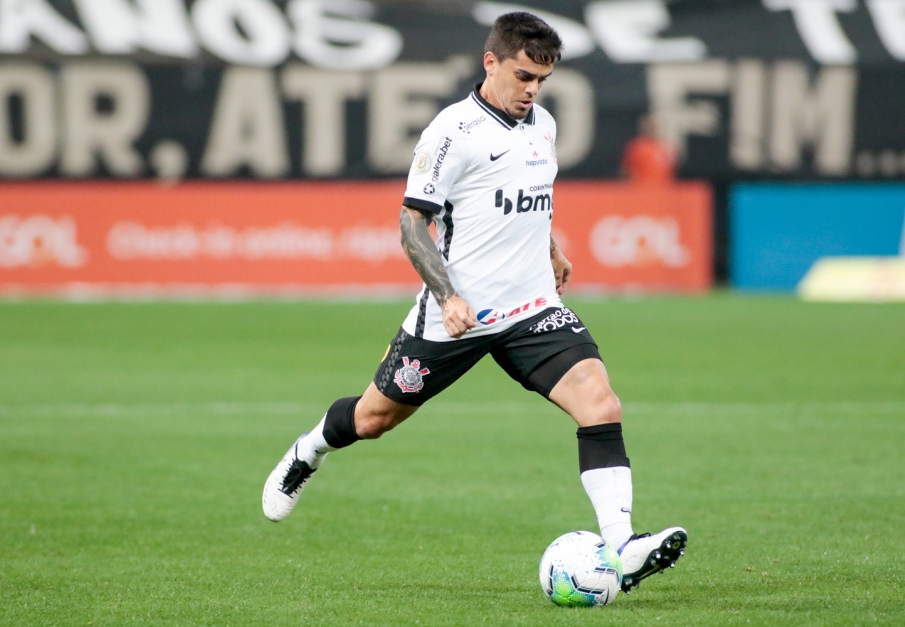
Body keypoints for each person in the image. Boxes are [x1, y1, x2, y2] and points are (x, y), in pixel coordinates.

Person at [262, 11, 686, 594]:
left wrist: (552, 247)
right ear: (491, 63)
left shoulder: (544, 126)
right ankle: (307, 451)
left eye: (541, 80)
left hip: (531, 307)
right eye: (522, 76)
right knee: (373, 418)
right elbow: (413, 224)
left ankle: (623, 546)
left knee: (600, 402)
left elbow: (526, 199)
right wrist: (447, 295)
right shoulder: (451, 133)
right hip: (456, 316)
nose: (531, 90)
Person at [621, 114, 678, 183]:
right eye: (648, 126)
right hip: (641, 188)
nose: (650, 129)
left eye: (653, 127)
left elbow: (672, 170)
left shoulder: (665, 147)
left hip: (662, 189)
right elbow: (627, 169)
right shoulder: (636, 147)